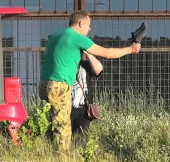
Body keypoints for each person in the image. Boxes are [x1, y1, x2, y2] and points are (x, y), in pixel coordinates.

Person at [38, 10, 141, 153]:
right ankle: (62, 159)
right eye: (88, 25)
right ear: (80, 23)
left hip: (44, 84)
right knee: (63, 125)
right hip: (59, 85)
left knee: (55, 120)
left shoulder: (56, 36)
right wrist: (131, 49)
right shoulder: (76, 37)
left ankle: (44, 151)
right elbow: (107, 54)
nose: (89, 29)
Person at [71, 51, 103, 134]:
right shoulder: (63, 65)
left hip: (84, 109)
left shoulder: (85, 65)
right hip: (65, 107)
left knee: (81, 138)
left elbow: (98, 69)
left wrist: (88, 52)